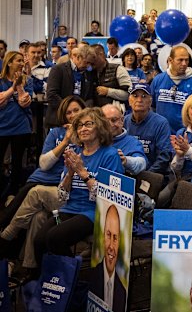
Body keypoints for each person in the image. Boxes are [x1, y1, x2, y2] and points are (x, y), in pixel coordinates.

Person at [0, 96, 85, 271]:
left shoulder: (87, 135)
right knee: (31, 211)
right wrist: (65, 141)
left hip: (59, 187)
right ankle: (26, 266)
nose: (73, 115)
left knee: (33, 195)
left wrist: (76, 137)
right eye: (68, 112)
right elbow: (44, 164)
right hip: (40, 179)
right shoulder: (56, 133)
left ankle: (5, 239)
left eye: (76, 110)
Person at [34, 108, 124, 269]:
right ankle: (46, 283)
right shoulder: (75, 153)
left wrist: (82, 173)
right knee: (40, 239)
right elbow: (62, 195)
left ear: (100, 127)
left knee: (55, 237)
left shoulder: (110, 155)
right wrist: (69, 173)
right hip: (69, 209)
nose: (83, 129)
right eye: (79, 125)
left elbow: (109, 197)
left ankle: (69, 280)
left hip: (94, 213)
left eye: (88, 124)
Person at [0, 51, 33, 198]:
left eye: (22, 61)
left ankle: (13, 192)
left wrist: (19, 86)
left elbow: (24, 102)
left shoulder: (28, 81)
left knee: (18, 161)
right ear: (9, 63)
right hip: (2, 126)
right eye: (18, 61)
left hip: (21, 126)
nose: (22, 63)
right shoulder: (0, 81)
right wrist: (12, 88)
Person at [151, 45, 192, 132]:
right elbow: (151, 106)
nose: (184, 64)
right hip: (161, 133)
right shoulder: (158, 80)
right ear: (170, 60)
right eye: (180, 60)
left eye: (186, 60)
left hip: (185, 135)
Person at [124, 83, 173, 175]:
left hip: (153, 175)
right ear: (129, 101)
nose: (139, 100)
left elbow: (164, 157)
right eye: (135, 96)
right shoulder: (124, 121)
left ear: (150, 102)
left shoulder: (161, 123)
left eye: (144, 96)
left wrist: (147, 175)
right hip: (127, 172)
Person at [45, 45, 96, 128]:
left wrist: (81, 112)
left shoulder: (88, 73)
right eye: (86, 62)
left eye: (90, 63)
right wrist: (69, 110)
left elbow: (89, 97)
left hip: (79, 122)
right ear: (78, 57)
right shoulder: (58, 69)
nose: (88, 66)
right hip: (58, 121)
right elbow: (51, 95)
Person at [89, 205, 127, 312]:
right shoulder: (92, 277)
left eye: (115, 238)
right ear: (102, 237)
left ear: (119, 242)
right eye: (108, 235)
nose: (111, 246)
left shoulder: (122, 292)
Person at [102, 104, 147, 175]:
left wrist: (126, 160)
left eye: (114, 120)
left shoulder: (132, 142)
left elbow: (142, 163)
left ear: (122, 120)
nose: (110, 125)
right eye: (105, 121)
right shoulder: (95, 140)